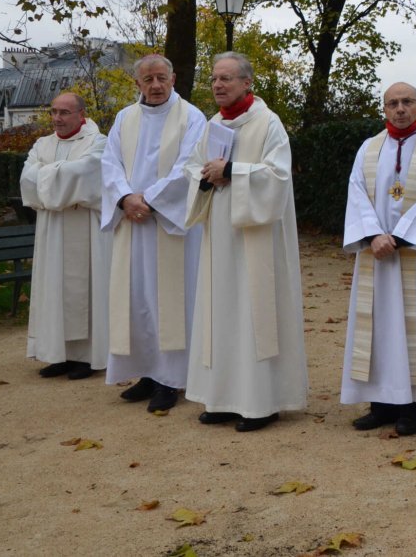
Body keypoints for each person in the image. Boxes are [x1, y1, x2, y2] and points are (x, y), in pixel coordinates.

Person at [183, 52, 307, 432]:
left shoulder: (268, 123)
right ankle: (221, 398)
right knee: (220, 311)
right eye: (215, 79)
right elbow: (193, 165)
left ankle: (261, 402)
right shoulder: (212, 124)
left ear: (247, 83)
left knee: (254, 312)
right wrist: (207, 176)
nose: (218, 85)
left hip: (257, 238)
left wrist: (233, 170)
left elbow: (278, 176)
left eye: (226, 79)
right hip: (220, 232)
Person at [340, 82, 416, 436]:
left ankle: (413, 407)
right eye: (392, 103)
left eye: (407, 101)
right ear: (385, 109)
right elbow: (356, 192)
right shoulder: (369, 149)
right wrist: (373, 235)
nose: (400, 109)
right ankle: (381, 404)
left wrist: (398, 236)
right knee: (378, 324)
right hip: (376, 254)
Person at [101, 54, 206, 413]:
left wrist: (151, 201)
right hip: (133, 224)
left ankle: (170, 379)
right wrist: (125, 198)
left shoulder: (192, 117)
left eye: (162, 77)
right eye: (149, 80)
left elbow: (190, 166)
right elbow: (109, 162)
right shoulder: (124, 118)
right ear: (138, 84)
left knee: (170, 300)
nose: (156, 85)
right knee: (138, 300)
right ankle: (146, 371)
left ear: (174, 78)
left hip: (170, 226)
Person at [21, 92, 111, 380]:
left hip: (83, 226)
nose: (57, 118)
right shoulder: (42, 144)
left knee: (85, 290)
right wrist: (63, 184)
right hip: (52, 229)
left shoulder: (98, 143)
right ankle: (57, 354)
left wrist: (47, 177)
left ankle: (86, 357)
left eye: (65, 112)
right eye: (54, 112)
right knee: (53, 288)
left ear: (81, 114)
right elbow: (26, 178)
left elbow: (88, 174)